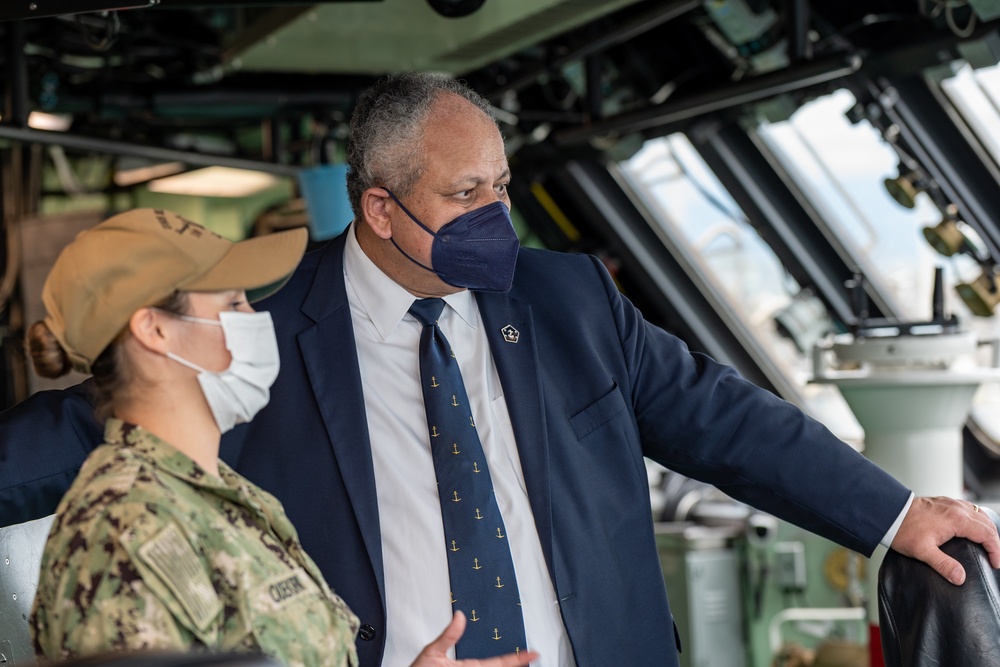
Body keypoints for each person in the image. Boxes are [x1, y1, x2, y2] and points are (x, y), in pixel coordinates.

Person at [2, 74, 998, 667]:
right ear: (380, 211)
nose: (497, 214)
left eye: (503, 185)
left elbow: (725, 420)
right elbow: (92, 426)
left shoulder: (564, 300)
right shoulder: (251, 326)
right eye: (466, 191)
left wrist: (893, 512)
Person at [23, 208, 536, 667]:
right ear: (155, 330)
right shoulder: (124, 531)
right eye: (231, 302)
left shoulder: (221, 494)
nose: (257, 320)